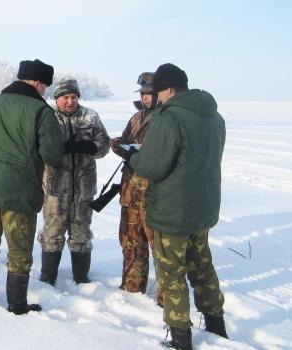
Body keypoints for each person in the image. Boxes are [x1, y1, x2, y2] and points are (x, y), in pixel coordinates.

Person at [122, 63, 228, 349]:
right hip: (203, 207)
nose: (155, 97)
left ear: (169, 89)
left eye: (158, 91)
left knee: (172, 274)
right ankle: (217, 325)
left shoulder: (169, 118)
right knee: (203, 267)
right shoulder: (214, 116)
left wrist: (131, 157)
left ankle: (181, 337)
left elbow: (153, 166)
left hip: (173, 210)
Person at [0, 59, 64, 315]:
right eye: (44, 86)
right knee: (19, 251)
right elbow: (52, 153)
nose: (45, 92)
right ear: (36, 83)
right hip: (19, 193)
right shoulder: (41, 111)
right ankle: (17, 305)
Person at [37, 77, 110, 286]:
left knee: (82, 233)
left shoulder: (91, 117)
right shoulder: (47, 117)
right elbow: (37, 147)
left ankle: (81, 276)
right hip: (54, 187)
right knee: (52, 232)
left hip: (83, 188)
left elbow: (104, 144)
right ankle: (48, 276)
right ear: (57, 98)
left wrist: (90, 148)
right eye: (65, 97)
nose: (70, 101)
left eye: (74, 97)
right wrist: (59, 148)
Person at [109, 72, 163, 305]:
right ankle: (131, 292)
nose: (146, 98)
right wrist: (119, 145)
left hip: (154, 195)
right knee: (131, 243)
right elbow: (126, 142)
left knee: (160, 248)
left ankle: (167, 300)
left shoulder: (165, 119)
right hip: (131, 192)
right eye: (143, 94)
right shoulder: (135, 117)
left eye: (150, 93)